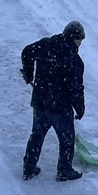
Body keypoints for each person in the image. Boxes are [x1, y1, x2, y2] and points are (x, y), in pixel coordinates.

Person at [21, 21, 86, 182]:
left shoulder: (45, 44)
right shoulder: (74, 60)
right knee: (67, 140)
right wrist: (80, 108)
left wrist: (28, 73)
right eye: (79, 39)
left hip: (40, 102)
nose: (80, 43)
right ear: (73, 39)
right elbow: (75, 88)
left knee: (36, 135)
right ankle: (64, 170)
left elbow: (27, 52)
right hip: (60, 107)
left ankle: (29, 167)